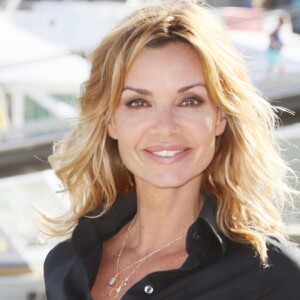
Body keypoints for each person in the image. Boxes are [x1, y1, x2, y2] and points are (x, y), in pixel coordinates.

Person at [43, 1, 300, 299]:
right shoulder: (64, 264)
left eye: (189, 101)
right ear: (110, 121)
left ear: (220, 117)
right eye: (138, 102)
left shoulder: (271, 277)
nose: (165, 127)